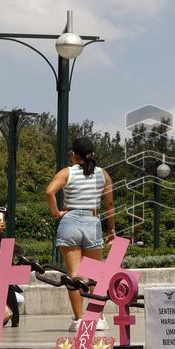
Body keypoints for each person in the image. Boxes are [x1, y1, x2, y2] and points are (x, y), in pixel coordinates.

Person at [46, 136, 116, 332]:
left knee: (74, 275)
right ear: (92, 154)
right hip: (93, 222)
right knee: (95, 273)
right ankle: (98, 318)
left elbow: (49, 192)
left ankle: (78, 319)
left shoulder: (67, 172)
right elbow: (110, 204)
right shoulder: (103, 175)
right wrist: (111, 228)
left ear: (74, 156)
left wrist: (56, 213)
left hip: (70, 221)